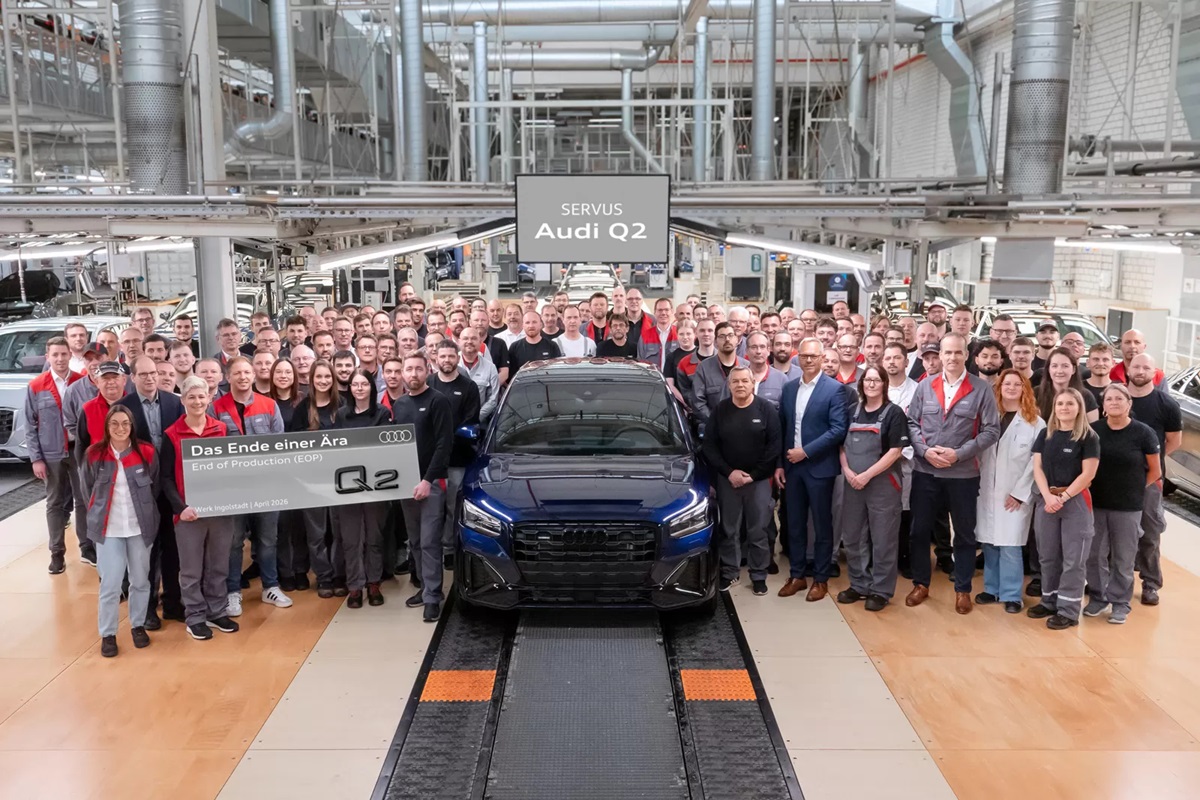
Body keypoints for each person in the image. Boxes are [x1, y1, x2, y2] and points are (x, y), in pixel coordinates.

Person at [904, 333, 1001, 614]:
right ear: (940, 355)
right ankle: (921, 584)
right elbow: (911, 423)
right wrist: (925, 451)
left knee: (965, 535)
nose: (953, 357)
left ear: (966, 355)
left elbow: (991, 430)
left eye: (958, 352)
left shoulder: (981, 389)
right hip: (926, 471)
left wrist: (958, 454)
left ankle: (963, 589)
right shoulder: (925, 386)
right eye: (948, 352)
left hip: (963, 475)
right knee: (919, 531)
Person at [212, 357, 292, 615]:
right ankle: (232, 592)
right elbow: (211, 448)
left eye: (247, 372)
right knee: (234, 541)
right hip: (232, 489)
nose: (243, 377)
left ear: (254, 375)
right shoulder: (216, 408)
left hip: (266, 486)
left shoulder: (269, 405)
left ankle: (270, 586)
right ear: (228, 377)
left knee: (268, 539)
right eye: (237, 373)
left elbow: (280, 446)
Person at [160, 376, 238, 640]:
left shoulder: (222, 430)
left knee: (219, 565)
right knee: (191, 570)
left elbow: (233, 469)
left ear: (210, 398)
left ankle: (216, 612)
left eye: (201, 396)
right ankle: (194, 617)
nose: (197, 401)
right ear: (183, 400)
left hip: (220, 512)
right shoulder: (172, 434)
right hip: (189, 515)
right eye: (191, 397)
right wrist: (180, 508)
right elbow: (166, 478)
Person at [82, 404, 159, 657]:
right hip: (108, 531)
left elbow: (155, 487)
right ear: (107, 426)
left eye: (125, 423)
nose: (120, 428)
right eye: (114, 423)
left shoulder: (146, 452)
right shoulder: (94, 454)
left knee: (140, 580)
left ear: (132, 426)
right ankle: (108, 634)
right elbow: (87, 490)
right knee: (111, 584)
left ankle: (138, 626)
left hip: (139, 529)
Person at [776, 337, 849, 601]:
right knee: (794, 524)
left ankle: (820, 579)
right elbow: (783, 428)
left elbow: (838, 429)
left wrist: (806, 451)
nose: (808, 360)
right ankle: (797, 575)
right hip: (792, 468)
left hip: (819, 467)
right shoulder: (789, 388)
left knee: (821, 525)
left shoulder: (835, 389)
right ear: (798, 358)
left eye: (813, 356)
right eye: (804, 356)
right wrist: (779, 464)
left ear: (821, 358)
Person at [1084, 383, 1161, 625]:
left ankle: (1120, 602)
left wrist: (1135, 490)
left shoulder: (1144, 433)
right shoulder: (1093, 431)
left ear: (1129, 403)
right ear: (1103, 405)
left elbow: (1155, 471)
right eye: (1109, 399)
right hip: (1097, 504)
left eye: (1119, 398)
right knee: (1094, 555)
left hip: (1128, 507)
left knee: (1123, 558)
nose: (1114, 402)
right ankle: (1098, 597)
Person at [118, 355, 186, 629]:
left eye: (153, 373)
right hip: (140, 488)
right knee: (146, 551)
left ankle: (172, 603)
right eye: (143, 374)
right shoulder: (124, 407)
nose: (149, 378)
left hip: (169, 487)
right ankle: (147, 609)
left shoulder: (173, 402)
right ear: (133, 377)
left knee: (172, 548)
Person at [703, 365, 782, 596]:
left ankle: (758, 575)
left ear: (753, 383)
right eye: (735, 381)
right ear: (729, 385)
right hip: (728, 481)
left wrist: (754, 475)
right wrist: (729, 472)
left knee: (758, 530)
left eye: (744, 381)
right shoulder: (720, 410)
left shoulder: (766, 409)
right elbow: (709, 446)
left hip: (758, 481)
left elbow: (774, 446)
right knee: (729, 530)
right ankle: (730, 572)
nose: (740, 385)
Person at [837, 366, 908, 612]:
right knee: (852, 536)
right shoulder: (851, 411)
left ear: (884, 384)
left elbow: (895, 451)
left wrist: (867, 475)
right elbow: (841, 446)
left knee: (883, 539)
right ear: (861, 383)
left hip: (883, 485)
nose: (871, 384)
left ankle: (881, 590)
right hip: (853, 483)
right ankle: (859, 585)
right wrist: (847, 471)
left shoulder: (893, 413)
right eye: (867, 380)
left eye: (876, 380)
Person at [1028, 388, 1100, 630]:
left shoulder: (1088, 437)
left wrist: (1064, 497)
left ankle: (1068, 610)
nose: (1064, 408)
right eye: (1060, 403)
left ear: (1079, 408)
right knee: (1047, 555)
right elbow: (1037, 468)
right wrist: (1048, 496)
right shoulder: (1045, 434)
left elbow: (1088, 474)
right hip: (1047, 500)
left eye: (1070, 403)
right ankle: (1049, 601)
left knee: (1073, 559)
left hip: (1075, 501)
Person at [391, 352, 454, 622]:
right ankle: (425, 587)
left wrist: (428, 480)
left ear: (427, 370)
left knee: (429, 541)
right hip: (407, 484)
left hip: (431, 483)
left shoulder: (438, 401)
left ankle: (433, 597)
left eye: (418, 369)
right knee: (415, 541)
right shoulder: (400, 404)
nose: (413, 374)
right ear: (403, 373)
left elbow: (444, 444)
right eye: (409, 369)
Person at [975, 370, 1045, 614]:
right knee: (989, 543)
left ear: (1025, 389)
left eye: (1017, 384)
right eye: (1007, 383)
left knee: (1011, 546)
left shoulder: (1035, 423)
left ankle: (1012, 595)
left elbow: (1035, 463)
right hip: (986, 491)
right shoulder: (988, 417)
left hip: (1016, 495)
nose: (1012, 388)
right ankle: (991, 589)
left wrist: (1020, 493)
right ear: (999, 387)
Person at [25, 336, 87, 574]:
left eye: (64, 354)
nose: (60, 359)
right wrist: (36, 459)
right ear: (47, 357)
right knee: (54, 502)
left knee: (83, 500)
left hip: (77, 450)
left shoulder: (81, 382)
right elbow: (30, 425)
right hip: (51, 454)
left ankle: (87, 547)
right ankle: (57, 552)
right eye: (55, 355)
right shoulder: (36, 385)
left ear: (70, 355)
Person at [333, 369, 393, 608]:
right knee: (351, 539)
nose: (359, 388)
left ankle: (374, 583)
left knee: (374, 537)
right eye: (355, 384)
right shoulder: (341, 415)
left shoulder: (382, 413)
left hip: (376, 484)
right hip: (348, 485)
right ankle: (355, 586)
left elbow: (384, 448)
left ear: (371, 387)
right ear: (350, 389)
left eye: (364, 384)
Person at [1127, 353, 1182, 606]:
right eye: (1136, 366)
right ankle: (1113, 581)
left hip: (1150, 479)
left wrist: (1152, 463)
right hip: (1117, 479)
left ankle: (1150, 583)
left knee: (1149, 532)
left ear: (1154, 372)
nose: (1140, 371)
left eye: (1145, 368)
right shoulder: (1116, 397)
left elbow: (1174, 441)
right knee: (1116, 532)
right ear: (1128, 369)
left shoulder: (1166, 404)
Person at [287, 360, 341, 598]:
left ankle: (339, 575)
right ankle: (324, 577)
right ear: (311, 380)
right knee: (316, 534)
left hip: (340, 480)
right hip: (312, 482)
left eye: (327, 377)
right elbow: (293, 446)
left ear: (333, 379)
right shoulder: (302, 409)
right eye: (318, 377)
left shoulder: (342, 405)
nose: (323, 381)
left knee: (339, 532)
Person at [428, 340, 481, 565]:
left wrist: (445, 440)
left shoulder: (469, 387)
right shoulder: (428, 384)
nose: (447, 360)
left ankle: (449, 550)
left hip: (458, 459)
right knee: (431, 510)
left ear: (457, 358)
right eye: (443, 356)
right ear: (435, 358)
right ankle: (429, 550)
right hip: (430, 461)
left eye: (451, 356)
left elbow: (470, 420)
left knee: (453, 507)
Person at [691, 321, 747, 434]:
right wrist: (716, 421)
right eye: (722, 336)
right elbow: (698, 402)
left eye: (730, 335)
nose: (727, 339)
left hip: (743, 429)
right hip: (714, 430)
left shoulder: (746, 367)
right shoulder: (704, 368)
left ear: (737, 340)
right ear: (715, 341)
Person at [1036, 347, 1098, 423]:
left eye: (1065, 366)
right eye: (1054, 366)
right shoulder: (1036, 393)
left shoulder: (1085, 396)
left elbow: (1093, 427)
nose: (1059, 371)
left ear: (1073, 369)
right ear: (1048, 369)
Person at [458, 326, 500, 423]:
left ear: (480, 342)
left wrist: (475, 418)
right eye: (465, 338)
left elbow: (493, 399)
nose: (469, 341)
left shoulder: (490, 367)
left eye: (473, 338)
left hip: (480, 423)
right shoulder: (452, 366)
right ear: (459, 342)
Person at [745, 331, 787, 408]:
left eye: (762, 347)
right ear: (747, 350)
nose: (758, 351)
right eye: (754, 347)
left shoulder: (781, 379)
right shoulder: (737, 378)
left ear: (768, 350)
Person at [637, 297, 678, 370]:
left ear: (672, 312)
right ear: (655, 312)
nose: (663, 313)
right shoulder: (645, 336)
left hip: (674, 377)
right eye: (660, 310)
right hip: (652, 377)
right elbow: (640, 364)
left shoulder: (679, 334)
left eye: (666, 310)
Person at [665, 321, 697, 406]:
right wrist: (685, 404)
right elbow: (670, 385)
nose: (685, 337)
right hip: (680, 404)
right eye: (681, 334)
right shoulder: (671, 357)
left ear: (695, 334)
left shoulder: (701, 353)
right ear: (677, 335)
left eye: (688, 334)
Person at [1083, 342, 1114, 407]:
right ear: (1088, 363)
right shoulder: (1078, 388)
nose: (1100, 363)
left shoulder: (1120, 389)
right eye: (1096, 359)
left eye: (1105, 360)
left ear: (1113, 363)